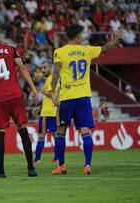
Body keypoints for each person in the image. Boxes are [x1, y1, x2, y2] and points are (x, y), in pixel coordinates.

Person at [51, 24, 122, 175]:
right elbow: (106, 48)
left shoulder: (60, 52)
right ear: (77, 36)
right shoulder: (86, 50)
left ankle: (61, 166)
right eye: (81, 35)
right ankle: (87, 165)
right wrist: (116, 38)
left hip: (67, 98)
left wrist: (52, 92)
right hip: (83, 97)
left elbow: (56, 71)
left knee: (61, 132)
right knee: (85, 132)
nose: (82, 37)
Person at [0, 24, 37, 178]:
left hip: (0, 98)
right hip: (16, 95)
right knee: (22, 129)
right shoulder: (11, 50)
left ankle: (1, 171)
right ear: (0, 36)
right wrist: (33, 88)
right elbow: (22, 69)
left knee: (0, 133)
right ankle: (31, 168)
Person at [33, 60, 59, 164]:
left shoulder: (50, 79)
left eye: (45, 68)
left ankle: (37, 159)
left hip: (48, 113)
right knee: (56, 136)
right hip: (52, 111)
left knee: (41, 136)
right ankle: (57, 158)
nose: (42, 70)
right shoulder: (51, 79)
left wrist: (43, 91)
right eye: (42, 68)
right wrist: (40, 107)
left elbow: (51, 94)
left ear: (50, 68)